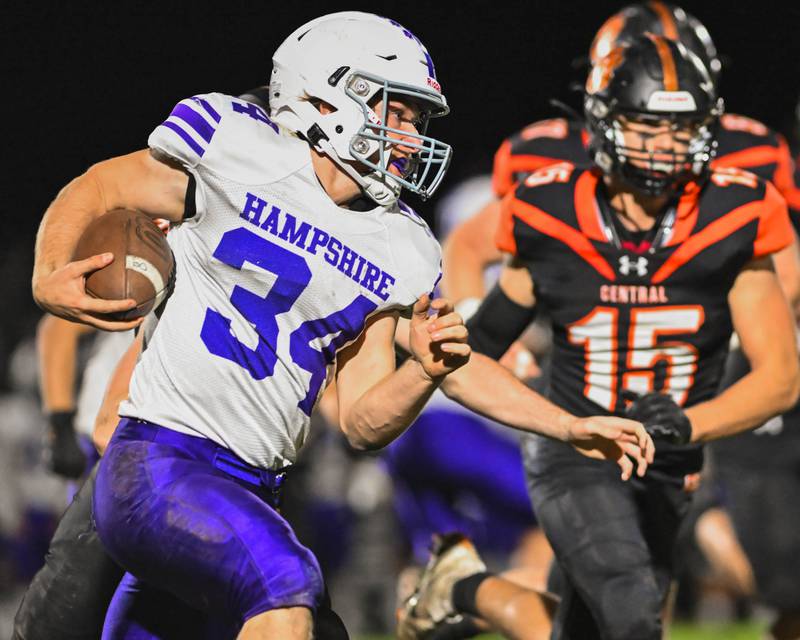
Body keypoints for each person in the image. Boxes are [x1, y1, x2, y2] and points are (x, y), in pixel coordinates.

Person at [30, 11, 652, 640]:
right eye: (398, 112)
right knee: (283, 583)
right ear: (327, 94)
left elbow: (364, 419)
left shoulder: (397, 242)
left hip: (253, 490)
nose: (411, 135)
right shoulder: (237, 148)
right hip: (162, 459)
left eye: (416, 120)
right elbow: (102, 184)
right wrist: (50, 268)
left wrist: (556, 420)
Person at [404, 35, 799, 640]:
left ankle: (464, 588)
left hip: (668, 459)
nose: (665, 146)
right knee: (631, 615)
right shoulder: (551, 207)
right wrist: (462, 352)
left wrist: (684, 425)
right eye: (647, 125)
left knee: (586, 629)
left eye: (681, 128)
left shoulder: (736, 214)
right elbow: (475, 344)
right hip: (578, 448)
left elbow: (779, 378)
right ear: (605, 121)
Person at [443, 1, 800, 313]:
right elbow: (468, 248)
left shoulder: (754, 152)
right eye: (645, 120)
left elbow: (786, 274)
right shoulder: (541, 156)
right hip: (568, 339)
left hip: (710, 338)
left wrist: (739, 343)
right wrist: (491, 342)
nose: (662, 143)